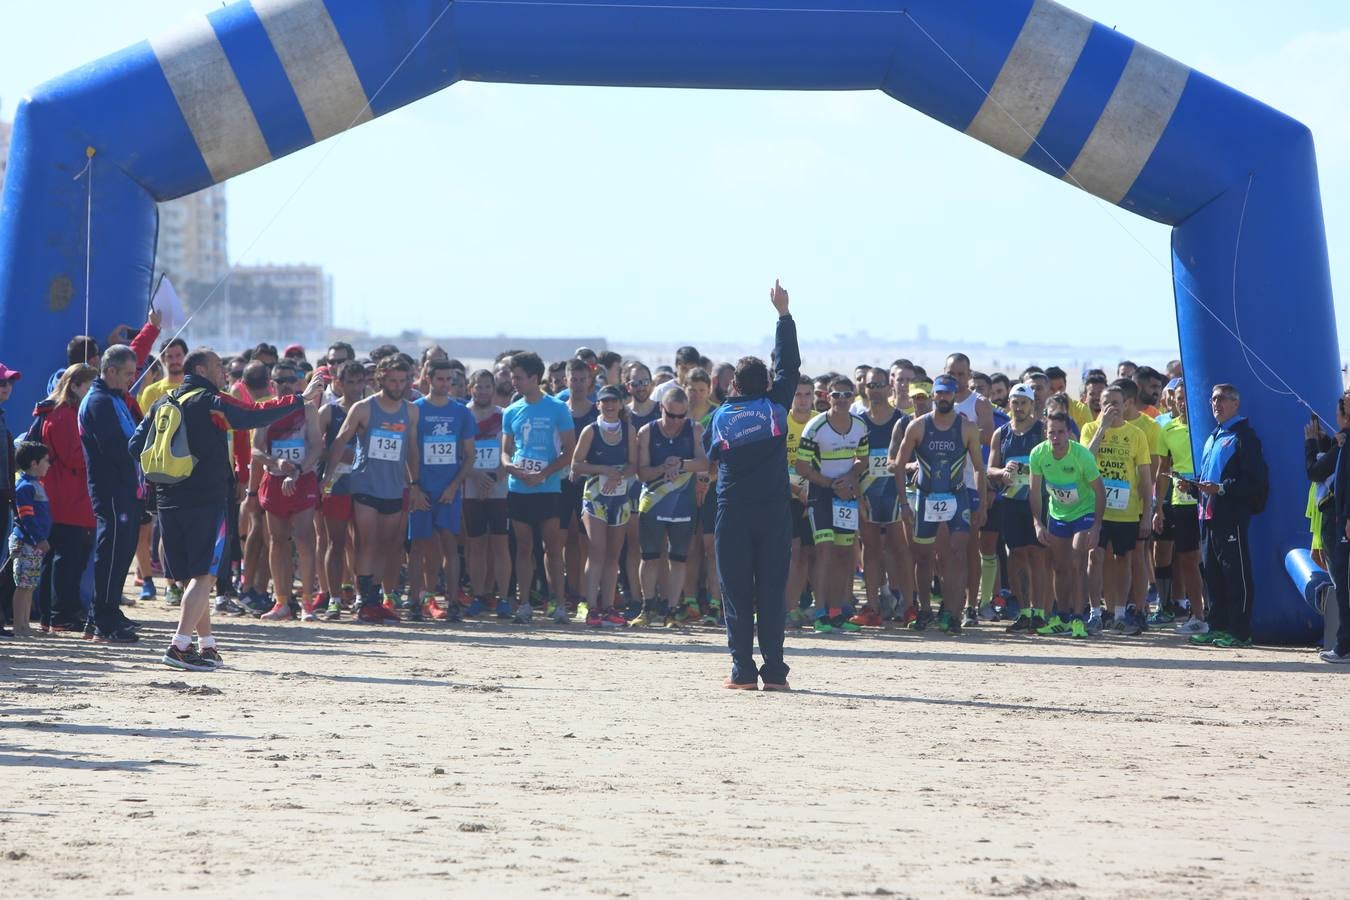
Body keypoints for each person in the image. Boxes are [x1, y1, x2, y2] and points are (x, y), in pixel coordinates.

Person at [130, 348, 310, 671]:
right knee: (206, 576)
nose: (223, 371)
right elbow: (253, 415)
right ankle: (179, 645)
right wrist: (298, 400)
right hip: (206, 501)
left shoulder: (162, 403)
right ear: (200, 369)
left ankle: (206, 645)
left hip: (168, 502)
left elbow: (134, 445)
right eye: (217, 366)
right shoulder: (211, 401)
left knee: (194, 579)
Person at [708, 279, 800, 690]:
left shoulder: (722, 416)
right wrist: (783, 315)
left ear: (734, 386)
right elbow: (790, 367)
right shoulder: (776, 406)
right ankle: (775, 672)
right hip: (774, 509)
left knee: (737, 592)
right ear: (766, 383)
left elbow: (712, 460)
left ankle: (742, 670)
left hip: (734, 510)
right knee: (772, 590)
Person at [322, 356, 425, 624]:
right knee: (368, 542)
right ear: (380, 379)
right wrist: (326, 478)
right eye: (392, 379)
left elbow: (412, 449)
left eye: (403, 380)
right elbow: (339, 442)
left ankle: (374, 600)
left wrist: (415, 484)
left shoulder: (411, 411)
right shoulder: (363, 408)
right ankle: (364, 602)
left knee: (387, 545)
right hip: (365, 484)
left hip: (394, 486)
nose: (398, 385)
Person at [894, 373, 986, 634]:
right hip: (925, 498)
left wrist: (982, 503)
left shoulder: (966, 427)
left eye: (948, 393)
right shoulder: (918, 426)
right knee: (923, 558)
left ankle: (953, 614)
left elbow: (979, 467)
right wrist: (903, 504)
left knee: (956, 556)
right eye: (939, 393)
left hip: (957, 496)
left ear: (955, 396)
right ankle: (924, 610)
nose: (943, 397)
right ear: (933, 395)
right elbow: (899, 466)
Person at [1178, 384, 1268, 649]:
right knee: (1212, 573)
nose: (1216, 404)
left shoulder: (1244, 436)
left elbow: (1256, 482)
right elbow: (1210, 480)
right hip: (1207, 515)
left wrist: (1223, 488)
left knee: (1235, 573)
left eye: (1222, 399)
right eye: (1213, 399)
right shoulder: (1213, 436)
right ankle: (1216, 625)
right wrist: (1192, 486)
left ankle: (1240, 631)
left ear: (1235, 403)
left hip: (1231, 516)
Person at [502, 351, 576, 624]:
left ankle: (558, 604)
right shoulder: (511, 410)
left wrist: (544, 473)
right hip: (519, 488)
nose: (515, 383)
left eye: (519, 378)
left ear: (534, 377)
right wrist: (511, 468)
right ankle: (523, 605)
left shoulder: (558, 408)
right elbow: (505, 452)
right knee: (522, 547)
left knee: (553, 548)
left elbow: (570, 451)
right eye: (513, 378)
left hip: (548, 488)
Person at [79, 345, 147, 644]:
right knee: (112, 553)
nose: (131, 380)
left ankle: (106, 611)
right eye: (128, 374)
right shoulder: (98, 402)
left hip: (126, 488)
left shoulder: (114, 398)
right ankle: (102, 620)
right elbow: (116, 449)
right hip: (111, 490)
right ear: (110, 372)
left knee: (122, 552)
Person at [796, 375, 868, 633]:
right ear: (827, 397)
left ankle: (837, 611)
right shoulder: (815, 426)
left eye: (847, 395)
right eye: (836, 395)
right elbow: (801, 466)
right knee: (824, 552)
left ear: (853, 398)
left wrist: (849, 479)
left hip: (846, 495)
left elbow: (863, 459)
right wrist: (830, 484)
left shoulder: (859, 425)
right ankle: (820, 613)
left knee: (844, 555)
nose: (841, 400)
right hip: (821, 495)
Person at [252, 361, 324, 621]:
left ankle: (306, 602)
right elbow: (256, 449)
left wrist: (298, 470)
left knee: (305, 538)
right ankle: (281, 601)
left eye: (289, 380)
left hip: (302, 478)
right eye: (279, 381)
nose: (284, 385)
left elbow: (316, 445)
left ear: (298, 383)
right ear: (272, 384)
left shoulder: (307, 409)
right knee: (277, 540)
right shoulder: (267, 409)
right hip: (274, 479)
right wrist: (275, 463)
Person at [1079, 384, 1153, 636]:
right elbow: (1084, 460)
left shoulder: (1136, 435)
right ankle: (1095, 613)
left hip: (1126, 510)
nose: (1112, 407)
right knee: (1095, 557)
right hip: (1095, 509)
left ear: (1126, 405)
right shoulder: (1089, 429)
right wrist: (1102, 428)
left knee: (1123, 560)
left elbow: (1144, 477)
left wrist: (1148, 512)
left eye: (1116, 403)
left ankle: (1120, 614)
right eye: (1106, 402)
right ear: (1099, 404)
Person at [30, 365, 98, 632]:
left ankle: (52, 615)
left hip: (64, 497)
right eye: (90, 386)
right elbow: (73, 457)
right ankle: (61, 614)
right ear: (75, 386)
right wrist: (97, 449)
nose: (93, 392)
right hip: (67, 498)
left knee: (60, 559)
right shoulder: (64, 415)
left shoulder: (60, 413)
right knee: (65, 560)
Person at [633, 386, 708, 627]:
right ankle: (647, 607)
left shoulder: (695, 429)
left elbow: (706, 462)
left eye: (681, 416)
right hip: (654, 503)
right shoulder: (647, 432)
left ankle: (672, 610)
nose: (676, 421)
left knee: (678, 558)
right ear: (660, 408)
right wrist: (664, 467)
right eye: (671, 415)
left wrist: (682, 463)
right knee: (650, 556)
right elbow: (641, 473)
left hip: (683, 505)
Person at [408, 359, 476, 621]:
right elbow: (407, 451)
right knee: (417, 548)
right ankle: (415, 602)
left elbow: (469, 455)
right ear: (427, 378)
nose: (445, 384)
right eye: (440, 379)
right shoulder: (415, 409)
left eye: (450, 380)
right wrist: (414, 486)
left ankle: (452, 603)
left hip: (448, 491)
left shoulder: (461, 412)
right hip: (421, 489)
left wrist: (454, 486)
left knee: (450, 547)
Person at [1027, 413, 1105, 637]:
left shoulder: (1081, 455)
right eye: (1052, 432)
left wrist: (1097, 526)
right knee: (1059, 568)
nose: (1056, 437)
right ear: (1046, 433)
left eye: (1061, 432)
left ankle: (1078, 619)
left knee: (1076, 561)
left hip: (1084, 511)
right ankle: (1062, 618)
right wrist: (1037, 523)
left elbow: (1100, 491)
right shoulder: (1038, 454)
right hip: (1058, 514)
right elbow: (1034, 492)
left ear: (1069, 434)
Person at [571, 385, 638, 627]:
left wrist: (618, 476)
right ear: (598, 404)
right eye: (604, 401)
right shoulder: (591, 431)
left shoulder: (629, 431)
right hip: (595, 497)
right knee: (596, 551)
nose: (609, 406)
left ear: (620, 404)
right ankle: (591, 607)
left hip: (619, 498)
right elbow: (576, 465)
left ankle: (608, 606)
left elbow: (633, 465)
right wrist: (604, 471)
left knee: (613, 555)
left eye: (613, 401)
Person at [987, 384, 1050, 628]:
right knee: (1017, 555)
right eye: (1015, 402)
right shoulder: (1001, 433)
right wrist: (1002, 472)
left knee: (1038, 556)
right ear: (1009, 404)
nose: (1019, 407)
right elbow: (989, 468)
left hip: (1039, 502)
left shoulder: (1042, 430)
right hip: (1012, 502)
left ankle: (1041, 612)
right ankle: (1024, 611)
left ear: (1032, 404)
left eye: (1024, 402)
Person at [855, 367, 913, 626]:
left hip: (895, 494)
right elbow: (854, 464)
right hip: (868, 495)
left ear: (889, 387)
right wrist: (858, 498)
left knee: (901, 549)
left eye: (880, 385)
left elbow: (913, 461)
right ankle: (873, 605)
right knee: (871, 551)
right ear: (864, 389)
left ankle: (910, 605)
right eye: (871, 386)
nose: (876, 390)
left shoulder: (902, 421)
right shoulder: (859, 423)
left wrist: (905, 498)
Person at [316, 361, 365, 619]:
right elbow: (314, 447)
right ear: (340, 383)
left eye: (360, 382)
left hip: (365, 483)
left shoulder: (371, 410)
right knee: (335, 542)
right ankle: (334, 598)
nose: (356, 387)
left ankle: (361, 596)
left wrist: (355, 455)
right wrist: (337, 453)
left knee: (362, 541)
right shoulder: (329, 411)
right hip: (336, 483)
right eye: (351, 382)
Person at [1156, 380, 1205, 634]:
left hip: (1207, 500)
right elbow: (1163, 470)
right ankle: (1197, 615)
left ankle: (1215, 611)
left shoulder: (1206, 427)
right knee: (1186, 559)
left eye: (1188, 398)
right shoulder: (1168, 430)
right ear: (1172, 401)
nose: (1183, 403)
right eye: (1179, 398)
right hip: (1180, 502)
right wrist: (1158, 508)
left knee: (1209, 560)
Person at [462, 369, 511, 617]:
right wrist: (475, 477)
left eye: (487, 387)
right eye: (478, 387)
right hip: (469, 488)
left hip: (499, 489)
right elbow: (459, 453)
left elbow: (510, 451)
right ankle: (478, 595)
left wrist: (491, 480)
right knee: (476, 545)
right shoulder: (463, 415)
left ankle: (503, 597)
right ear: (471, 388)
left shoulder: (503, 416)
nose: (482, 391)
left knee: (500, 545)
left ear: (493, 388)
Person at [7, 442, 52, 637]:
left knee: (30, 584)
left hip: (33, 544)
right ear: (34, 463)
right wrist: (39, 538)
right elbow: (27, 517)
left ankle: (25, 625)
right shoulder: (25, 487)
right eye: (46, 461)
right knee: (23, 586)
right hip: (27, 542)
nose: (48, 465)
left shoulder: (35, 484)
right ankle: (19, 625)